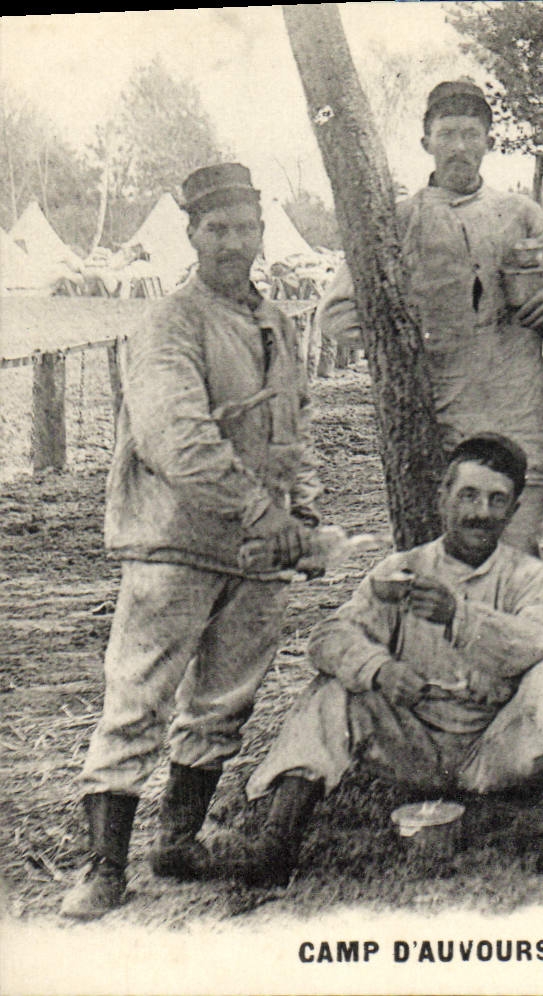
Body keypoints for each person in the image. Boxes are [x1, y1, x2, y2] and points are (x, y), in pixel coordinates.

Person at [61, 163, 324, 919]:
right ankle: (102, 866)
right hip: (174, 541)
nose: (233, 244)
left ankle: (178, 842)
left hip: (257, 550)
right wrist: (258, 508)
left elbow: (288, 430)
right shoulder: (169, 323)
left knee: (223, 702)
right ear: (191, 235)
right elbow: (175, 437)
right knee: (137, 697)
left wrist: (299, 515)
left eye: (245, 228)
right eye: (218, 230)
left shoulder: (273, 320)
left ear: (262, 232)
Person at [229, 435, 543, 886]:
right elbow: (328, 638)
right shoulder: (403, 569)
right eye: (467, 495)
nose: (480, 513)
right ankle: (277, 840)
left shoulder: (526, 576)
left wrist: (461, 619)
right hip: (414, 745)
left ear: (512, 510)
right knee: (333, 689)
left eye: (496, 500)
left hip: (496, 749)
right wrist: (380, 670)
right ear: (442, 497)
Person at [317, 80, 543, 554]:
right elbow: (336, 314)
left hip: (519, 412)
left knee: (517, 554)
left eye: (470, 133)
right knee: (454, 560)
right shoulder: (400, 220)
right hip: (444, 422)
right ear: (427, 144)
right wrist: (411, 338)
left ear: (488, 141)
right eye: (447, 135)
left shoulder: (520, 214)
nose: (459, 146)